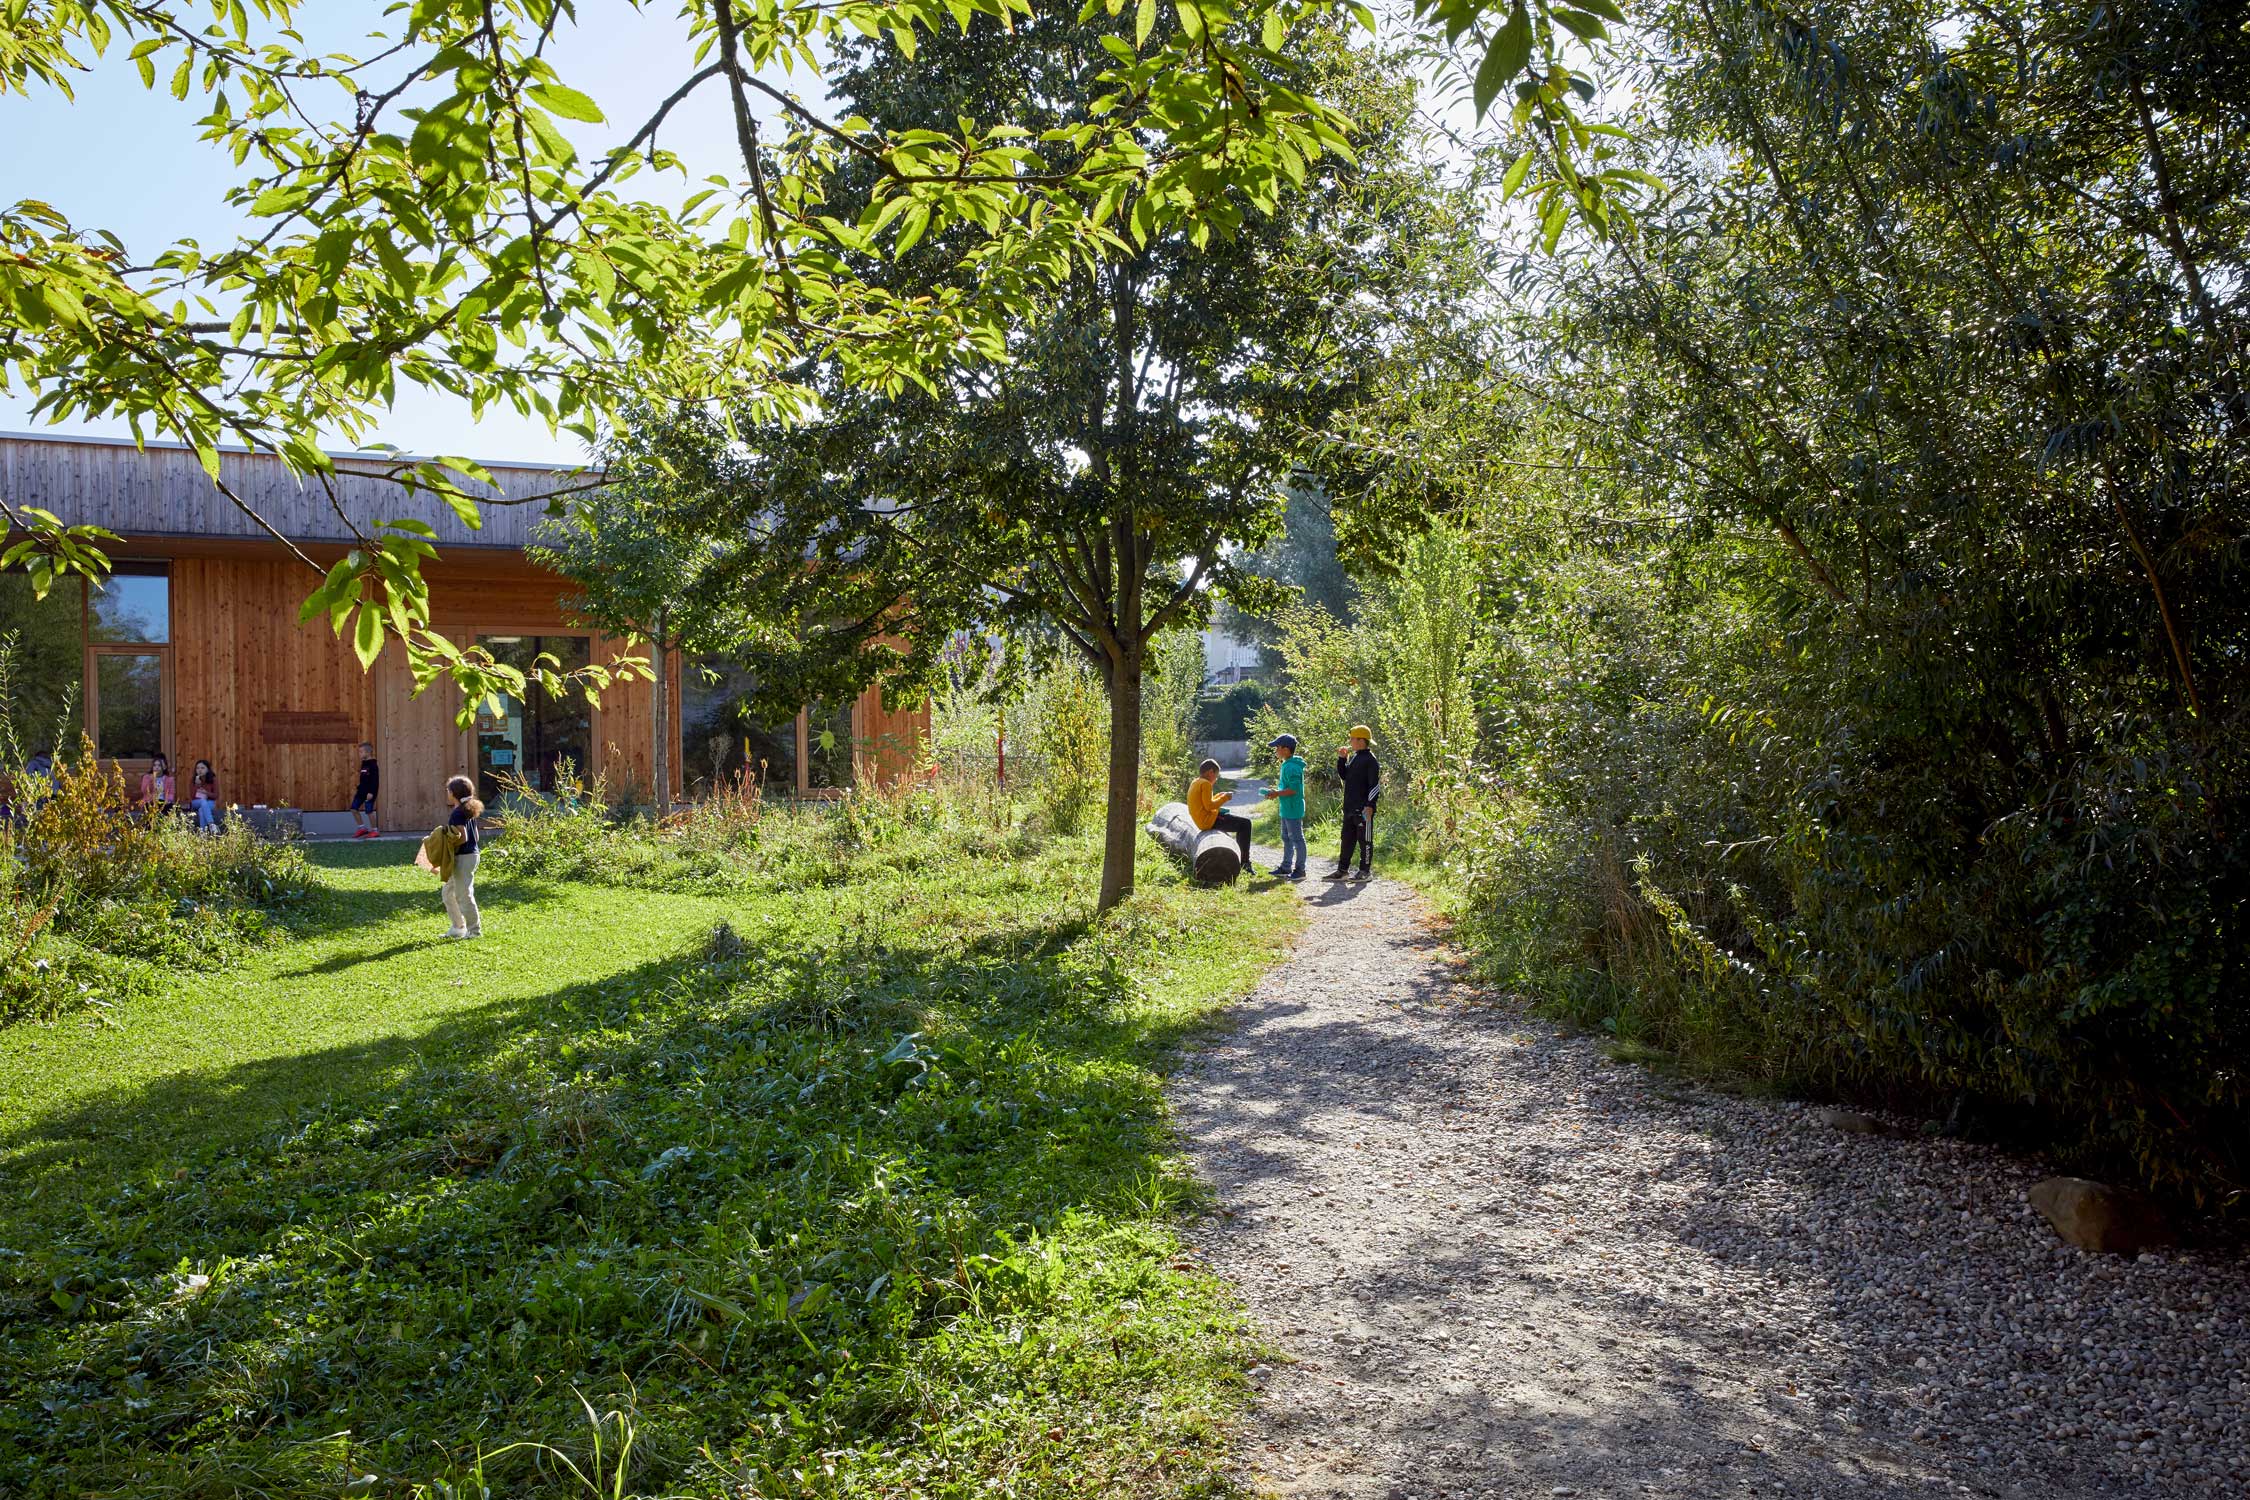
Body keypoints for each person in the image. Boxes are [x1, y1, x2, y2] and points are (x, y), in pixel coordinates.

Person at [1331, 725, 1380, 881]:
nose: (1350, 741)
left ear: (1360, 740)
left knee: (1365, 841)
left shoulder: (1371, 760)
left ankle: (1365, 872)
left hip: (1364, 810)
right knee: (1346, 840)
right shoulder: (1355, 757)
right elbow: (1345, 776)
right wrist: (1342, 759)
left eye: (1352, 738)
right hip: (1350, 809)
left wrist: (1370, 806)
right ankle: (1342, 870)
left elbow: (1375, 785)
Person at [1187, 757, 1253, 870]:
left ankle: (1243, 860)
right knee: (1245, 824)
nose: (1216, 779)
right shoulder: (1206, 784)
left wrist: (1219, 796)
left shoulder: (1196, 782)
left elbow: (1206, 803)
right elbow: (1210, 806)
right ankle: (1244, 863)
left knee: (1240, 822)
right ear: (1210, 772)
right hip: (1209, 821)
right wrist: (1225, 798)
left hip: (1203, 820)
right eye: (1216, 775)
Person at [440, 773, 483, 939]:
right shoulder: (468, 809)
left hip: (463, 857)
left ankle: (474, 931)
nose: (447, 793)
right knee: (448, 893)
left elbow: (462, 836)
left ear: (453, 793)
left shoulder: (458, 812)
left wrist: (447, 846)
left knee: (464, 895)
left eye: (448, 790)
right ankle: (458, 927)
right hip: (471, 855)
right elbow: (476, 836)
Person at [1262, 733, 1307, 880]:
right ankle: (1286, 867)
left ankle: (1300, 870)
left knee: (1297, 839)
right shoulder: (1286, 764)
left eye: (1278, 748)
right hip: (1287, 809)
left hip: (1293, 809)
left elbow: (1294, 789)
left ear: (1286, 750)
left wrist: (1277, 793)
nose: (1276, 751)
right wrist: (1275, 792)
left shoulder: (1292, 767)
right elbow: (1287, 787)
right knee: (1286, 838)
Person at [350, 741, 381, 837]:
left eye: (361, 752)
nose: (359, 754)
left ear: (368, 753)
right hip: (361, 791)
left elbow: (375, 781)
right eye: (359, 752)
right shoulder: (364, 763)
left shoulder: (373, 765)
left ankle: (375, 831)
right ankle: (362, 828)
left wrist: (371, 792)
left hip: (370, 792)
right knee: (354, 809)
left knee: (369, 811)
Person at [188, 759, 221, 832]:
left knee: (201, 810)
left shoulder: (213, 779)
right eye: (197, 768)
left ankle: (203, 833)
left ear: (207, 769)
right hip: (196, 802)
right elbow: (192, 796)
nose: (200, 770)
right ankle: (211, 824)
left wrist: (206, 793)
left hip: (209, 802)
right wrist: (197, 784)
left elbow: (216, 795)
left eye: (202, 768)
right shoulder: (193, 780)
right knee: (203, 802)